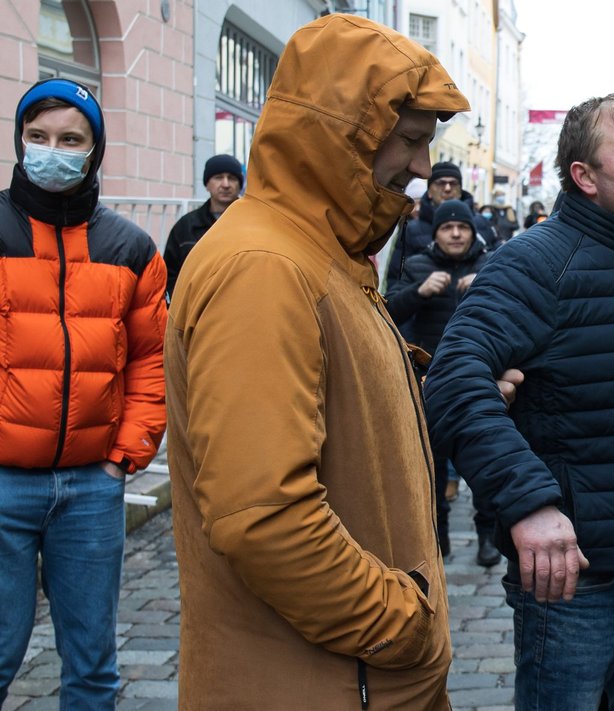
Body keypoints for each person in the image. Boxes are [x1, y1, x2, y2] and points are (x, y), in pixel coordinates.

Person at [164, 15, 469, 709]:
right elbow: (264, 516)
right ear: (343, 133)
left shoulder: (320, 251)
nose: (423, 168)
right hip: (326, 685)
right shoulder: (264, 266)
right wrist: (405, 624)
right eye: (414, 141)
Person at [423, 90, 614, 711]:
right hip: (576, 586)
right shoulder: (532, 267)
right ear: (585, 177)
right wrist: (528, 504)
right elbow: (452, 382)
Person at [0, 77, 167, 709]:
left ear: (94, 150)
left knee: (93, 666)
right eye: (38, 136)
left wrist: (126, 451)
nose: (53, 150)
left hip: (91, 490)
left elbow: (151, 360)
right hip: (3, 482)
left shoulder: (130, 247)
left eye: (71, 139)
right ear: (19, 140)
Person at [386, 198, 499, 566]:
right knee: (431, 471)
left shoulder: (491, 264)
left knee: (486, 467)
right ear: (436, 234)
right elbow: (386, 311)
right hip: (428, 382)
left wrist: (484, 284)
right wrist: (420, 292)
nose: (455, 233)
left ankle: (487, 539)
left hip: (481, 380)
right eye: (448, 228)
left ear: (473, 232)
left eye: (462, 228)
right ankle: (439, 540)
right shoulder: (417, 264)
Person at [385, 160, 497, 281]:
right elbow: (396, 276)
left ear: (460, 190)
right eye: (441, 183)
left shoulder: (482, 224)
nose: (447, 188)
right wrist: (418, 291)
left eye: (453, 183)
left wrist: (480, 280)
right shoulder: (412, 230)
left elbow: (498, 267)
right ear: (429, 192)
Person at [163, 153, 242, 299]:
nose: (225, 184)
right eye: (218, 177)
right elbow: (170, 273)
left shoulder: (250, 225)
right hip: (195, 310)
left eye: (231, 178)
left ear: (239, 185)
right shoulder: (185, 227)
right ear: (207, 184)